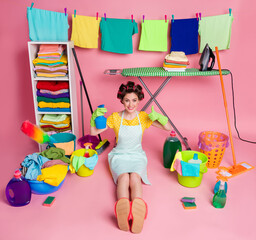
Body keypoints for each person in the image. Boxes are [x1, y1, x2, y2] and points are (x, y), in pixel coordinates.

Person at [90, 81, 172, 233]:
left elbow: (168, 128)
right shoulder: (115, 117)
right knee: (123, 178)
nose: (130, 104)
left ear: (139, 100)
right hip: (119, 156)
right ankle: (122, 206)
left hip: (137, 156)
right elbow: (95, 132)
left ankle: (137, 207)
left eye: (134, 100)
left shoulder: (143, 117)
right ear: (122, 100)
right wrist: (93, 119)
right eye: (127, 100)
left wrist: (161, 117)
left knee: (134, 177)